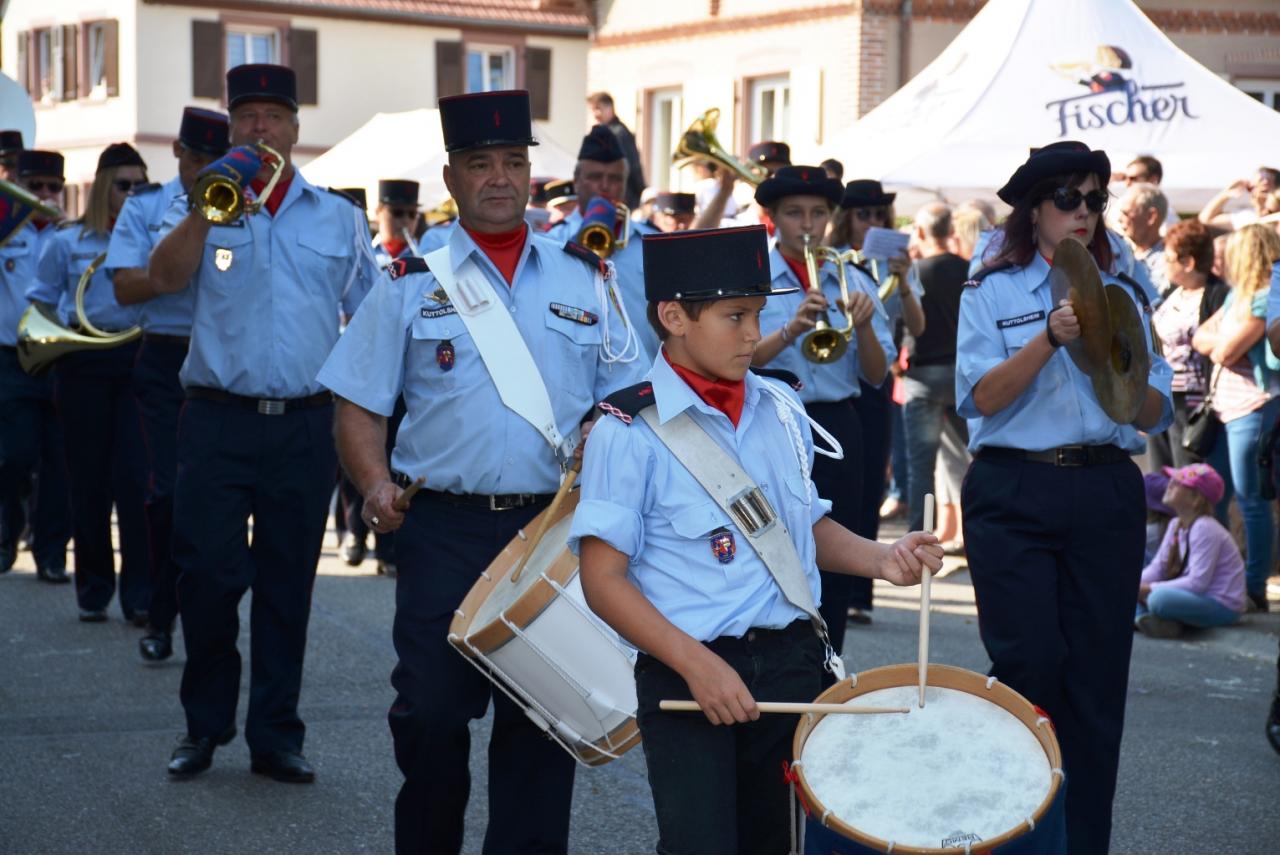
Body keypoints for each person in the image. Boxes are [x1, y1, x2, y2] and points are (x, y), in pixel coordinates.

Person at [317, 88, 645, 855]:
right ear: (451, 176)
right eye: (480, 164)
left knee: (541, 727)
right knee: (430, 715)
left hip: (553, 531)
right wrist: (372, 483)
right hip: (444, 528)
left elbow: (631, 398)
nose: (499, 177)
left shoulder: (587, 276)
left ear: (531, 172)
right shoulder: (408, 279)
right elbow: (358, 404)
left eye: (513, 162)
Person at [569, 224, 942, 855]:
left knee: (780, 844)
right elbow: (602, 581)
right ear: (673, 316)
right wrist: (696, 665)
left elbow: (801, 528)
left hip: (793, 663)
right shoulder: (627, 431)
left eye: (758, 315)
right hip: (689, 671)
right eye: (734, 316)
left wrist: (886, 558)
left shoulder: (779, 407)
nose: (752, 334)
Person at [145, 64, 379, 782]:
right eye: (247, 117)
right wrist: (205, 210)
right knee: (208, 580)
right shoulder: (201, 203)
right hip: (217, 421)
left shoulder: (337, 217)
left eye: (274, 117)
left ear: (296, 131)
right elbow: (162, 279)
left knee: (287, 586)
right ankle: (203, 726)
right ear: (230, 127)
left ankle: (275, 734)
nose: (260, 129)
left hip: (305, 426)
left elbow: (370, 315)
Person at [956, 140, 1173, 854]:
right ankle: (1012, 831)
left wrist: (1121, 360)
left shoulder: (1127, 284)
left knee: (1097, 681)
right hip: (1015, 485)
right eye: (1067, 200)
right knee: (1027, 665)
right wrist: (1049, 337)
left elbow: (1154, 410)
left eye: (1094, 199)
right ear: (1034, 209)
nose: (1083, 213)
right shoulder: (992, 284)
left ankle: (1082, 844)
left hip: (1105, 484)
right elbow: (980, 398)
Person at [749, 166, 894, 662]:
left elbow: (876, 375)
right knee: (769, 543)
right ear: (772, 218)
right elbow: (744, 359)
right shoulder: (754, 275)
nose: (806, 224)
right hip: (769, 419)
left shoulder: (849, 275)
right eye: (794, 213)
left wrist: (866, 327)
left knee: (836, 548)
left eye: (817, 213)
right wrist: (791, 329)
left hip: (836, 423)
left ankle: (827, 660)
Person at [105, 107, 230, 661]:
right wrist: (169, 270)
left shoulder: (239, 203)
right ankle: (159, 615)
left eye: (213, 161)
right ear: (177, 152)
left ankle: (205, 618)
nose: (200, 170)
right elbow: (126, 288)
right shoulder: (146, 205)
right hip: (163, 356)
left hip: (224, 357)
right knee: (166, 496)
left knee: (215, 503)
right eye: (194, 158)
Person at [28, 143, 152, 623]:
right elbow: (40, 302)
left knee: (135, 480)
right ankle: (93, 589)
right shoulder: (66, 242)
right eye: (124, 185)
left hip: (135, 361)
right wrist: (64, 328)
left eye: (142, 186)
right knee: (88, 482)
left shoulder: (154, 242)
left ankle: (138, 593)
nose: (134, 194)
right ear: (103, 188)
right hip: (80, 362)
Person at [826, 178, 913, 621]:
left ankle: (859, 593)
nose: (874, 223)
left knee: (868, 485)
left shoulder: (886, 264)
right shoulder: (836, 263)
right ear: (846, 219)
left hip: (875, 382)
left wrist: (905, 280)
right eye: (865, 215)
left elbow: (915, 324)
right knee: (839, 492)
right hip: (838, 380)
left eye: (880, 215)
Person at [1192, 223, 1280, 613]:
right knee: (1217, 494)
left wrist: (1224, 346)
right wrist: (1224, 345)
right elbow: (1202, 338)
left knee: (1251, 501)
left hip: (1255, 408)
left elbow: (1225, 351)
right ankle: (1222, 577)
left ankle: (1253, 585)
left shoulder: (1264, 299)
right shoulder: (1235, 298)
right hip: (1226, 408)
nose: (1222, 259)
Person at [0, 148, 71, 583]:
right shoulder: (8, 234)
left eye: (53, 188)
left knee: (59, 461)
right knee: (15, 456)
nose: (45, 194)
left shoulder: (71, 235)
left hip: (61, 358)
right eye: (35, 187)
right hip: (11, 358)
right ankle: (7, 534)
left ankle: (51, 554)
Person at [548, 125, 650, 361]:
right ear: (577, 181)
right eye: (595, 177)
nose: (605, 186)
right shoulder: (553, 242)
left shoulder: (650, 242)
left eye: (615, 179)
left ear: (625, 183)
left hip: (643, 376)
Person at [901, 203, 971, 537]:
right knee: (974, 460)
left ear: (921, 232)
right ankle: (975, 533)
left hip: (926, 374)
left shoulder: (915, 272)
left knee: (921, 468)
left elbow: (902, 324)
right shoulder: (968, 268)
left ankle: (919, 538)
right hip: (959, 374)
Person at [1146, 220, 1229, 470]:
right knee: (1160, 477)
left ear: (1189, 262)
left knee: (1187, 475)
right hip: (1161, 394)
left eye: (1169, 258)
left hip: (1191, 401)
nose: (1163, 263)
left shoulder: (1217, 295)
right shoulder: (1173, 292)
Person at [1136, 463, 1245, 638]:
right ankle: (1149, 620)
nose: (1170, 483)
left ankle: (1147, 618)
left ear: (1196, 499)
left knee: (1159, 599)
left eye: (1179, 483)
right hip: (1195, 598)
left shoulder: (1205, 527)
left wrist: (1149, 589)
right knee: (1129, 592)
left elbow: (1197, 583)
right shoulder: (1176, 524)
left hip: (1220, 605)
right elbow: (1159, 567)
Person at [588, 91, 646, 210]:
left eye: (598, 109)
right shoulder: (603, 133)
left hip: (622, 198)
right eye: (593, 110)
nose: (595, 114)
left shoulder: (619, 134)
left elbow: (633, 167)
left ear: (610, 108)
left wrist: (641, 193)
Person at [1118, 182, 1170, 300]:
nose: (1120, 219)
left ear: (1151, 216)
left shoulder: (1169, 261)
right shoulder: (1123, 254)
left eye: (1126, 213)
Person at [1199, 167, 1280, 233]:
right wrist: (1225, 194)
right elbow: (1206, 219)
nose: (1255, 194)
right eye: (1251, 189)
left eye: (1265, 191)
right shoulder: (1245, 215)